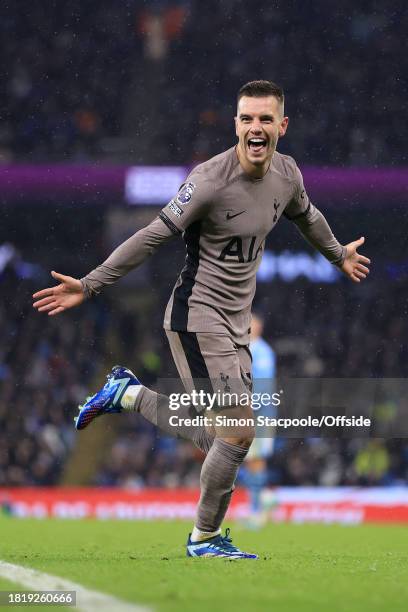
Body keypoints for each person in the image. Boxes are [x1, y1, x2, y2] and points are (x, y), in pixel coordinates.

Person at [33, 80, 370, 559]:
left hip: (235, 327)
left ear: (282, 126)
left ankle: (127, 394)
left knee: (223, 437)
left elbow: (308, 215)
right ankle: (204, 538)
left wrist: (337, 255)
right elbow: (151, 235)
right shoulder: (209, 180)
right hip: (197, 317)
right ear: (236, 124)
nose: (256, 128)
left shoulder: (288, 175)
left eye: (265, 119)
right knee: (239, 432)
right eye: (247, 119)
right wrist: (90, 284)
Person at [243, 312, 277, 528]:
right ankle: (263, 500)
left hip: (260, 414)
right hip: (247, 413)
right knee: (249, 461)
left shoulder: (262, 351)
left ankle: (257, 509)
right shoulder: (245, 348)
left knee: (255, 460)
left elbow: (263, 386)